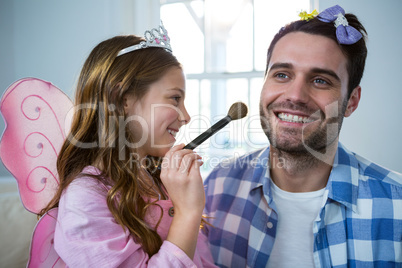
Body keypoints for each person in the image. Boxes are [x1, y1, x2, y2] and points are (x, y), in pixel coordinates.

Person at [202, 5, 402, 267]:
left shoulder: (396, 205)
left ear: (352, 101)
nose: (295, 96)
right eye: (282, 75)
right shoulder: (216, 187)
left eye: (320, 80)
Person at [38, 23, 216, 267]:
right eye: (175, 98)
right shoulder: (85, 197)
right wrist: (187, 214)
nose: (186, 116)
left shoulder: (161, 182)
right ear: (123, 100)